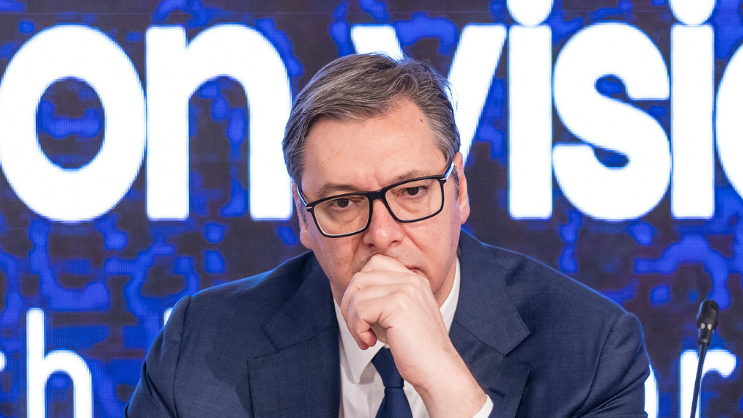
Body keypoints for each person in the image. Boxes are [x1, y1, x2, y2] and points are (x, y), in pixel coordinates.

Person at [126, 54, 649, 418]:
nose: (381, 234)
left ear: (459, 189)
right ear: (304, 218)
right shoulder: (202, 345)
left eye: (412, 192)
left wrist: (450, 387)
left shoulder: (590, 351)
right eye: (343, 203)